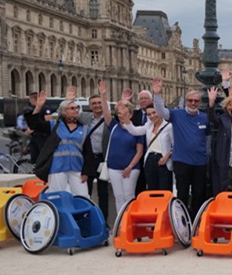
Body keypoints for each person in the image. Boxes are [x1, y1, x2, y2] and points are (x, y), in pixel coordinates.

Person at [152, 78, 210, 218]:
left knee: (198, 194)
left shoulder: (204, 118)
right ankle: (182, 223)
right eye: (190, 100)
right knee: (182, 194)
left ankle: (195, 222)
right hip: (182, 161)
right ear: (186, 101)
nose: (193, 103)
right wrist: (157, 95)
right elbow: (161, 112)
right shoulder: (177, 114)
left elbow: (208, 139)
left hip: (200, 162)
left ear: (200, 103)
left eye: (196, 101)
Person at [28, 92, 97, 196]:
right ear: (64, 111)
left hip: (77, 168)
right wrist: (38, 107)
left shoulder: (84, 129)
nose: (76, 110)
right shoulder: (55, 125)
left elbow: (88, 152)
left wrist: (86, 171)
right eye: (72, 108)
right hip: (57, 168)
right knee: (57, 196)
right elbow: (34, 125)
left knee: (82, 196)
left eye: (77, 107)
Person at [105, 100, 145, 214]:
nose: (121, 115)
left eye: (125, 113)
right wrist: (103, 96)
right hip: (114, 167)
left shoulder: (137, 130)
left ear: (131, 115)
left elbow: (139, 152)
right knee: (118, 197)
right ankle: (121, 223)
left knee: (129, 195)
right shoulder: (114, 126)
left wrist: (130, 166)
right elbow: (106, 112)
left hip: (131, 168)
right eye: (120, 113)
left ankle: (130, 221)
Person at [81, 94, 112, 222]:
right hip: (88, 160)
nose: (97, 105)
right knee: (85, 191)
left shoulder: (108, 119)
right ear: (90, 106)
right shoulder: (85, 118)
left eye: (99, 102)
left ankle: (103, 220)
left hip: (102, 159)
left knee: (103, 192)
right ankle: (86, 219)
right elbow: (65, 113)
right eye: (94, 103)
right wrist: (69, 99)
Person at [206, 85, 232, 196]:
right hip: (224, 161)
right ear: (225, 107)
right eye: (229, 104)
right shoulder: (222, 120)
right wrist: (211, 102)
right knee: (222, 190)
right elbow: (212, 117)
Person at [23, 91, 52, 163]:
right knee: (34, 156)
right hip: (35, 135)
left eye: (30, 99)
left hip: (42, 136)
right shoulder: (33, 109)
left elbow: (49, 122)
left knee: (42, 156)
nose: (30, 101)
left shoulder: (46, 109)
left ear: (33, 99)